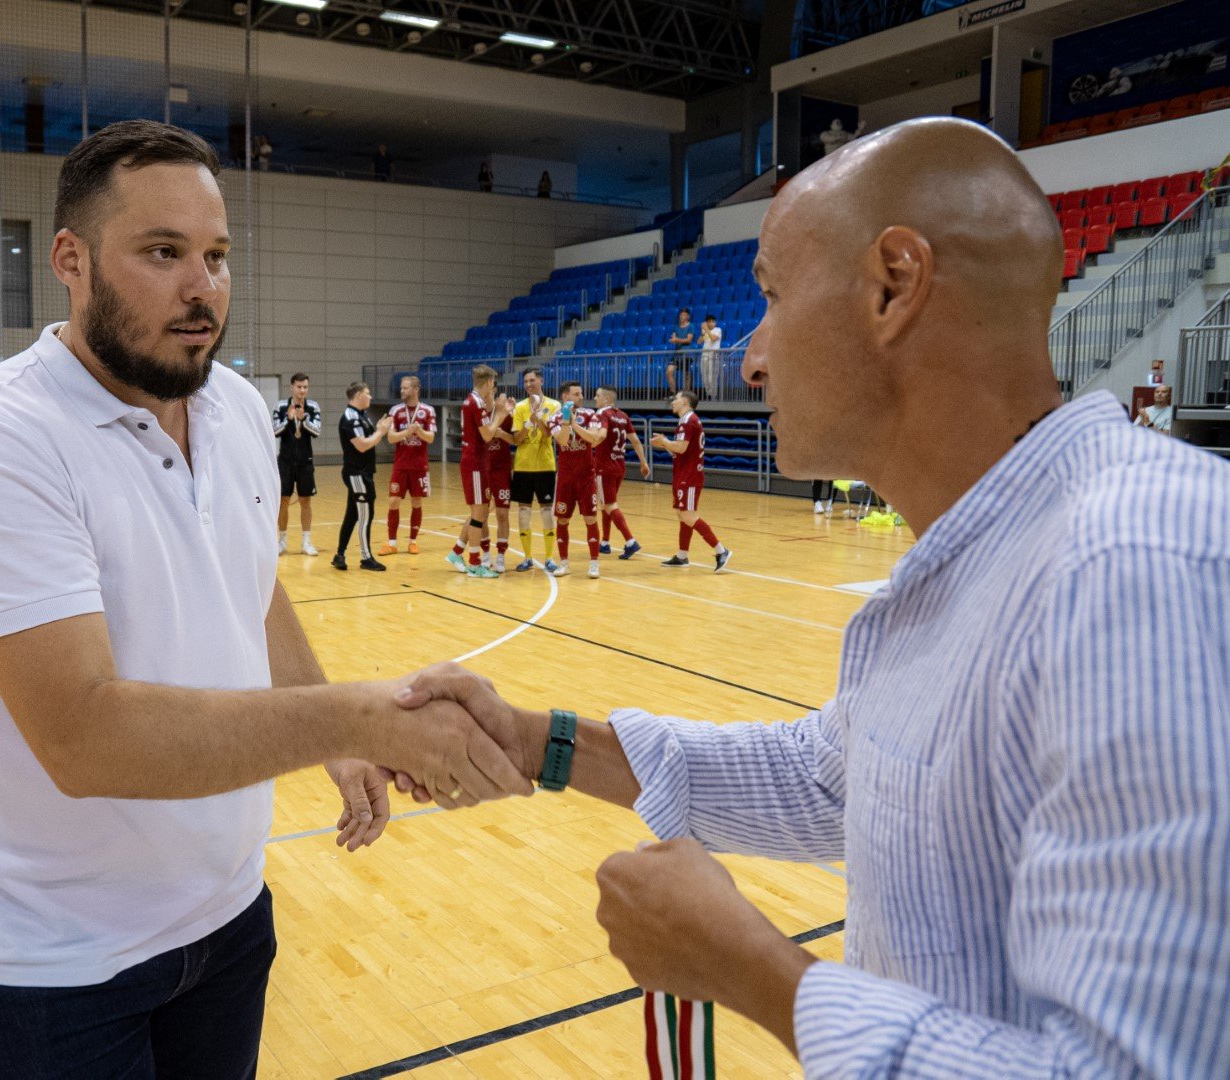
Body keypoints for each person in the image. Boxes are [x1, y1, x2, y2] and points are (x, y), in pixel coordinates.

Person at [398, 115, 1230, 1077]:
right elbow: (828, 779)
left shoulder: (1139, 566)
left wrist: (757, 973)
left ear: (892, 286)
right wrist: (539, 741)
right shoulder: (977, 563)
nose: (751, 358)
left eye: (773, 299)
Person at [0, 120, 530, 1080]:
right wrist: (358, 716)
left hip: (227, 913)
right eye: (163, 254)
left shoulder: (234, 408)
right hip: (43, 957)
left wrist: (346, 741)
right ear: (70, 260)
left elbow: (252, 586)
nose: (204, 289)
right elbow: (83, 737)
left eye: (218, 257)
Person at [650, 390, 731, 571]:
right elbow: (681, 451)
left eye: (676, 399)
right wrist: (665, 444)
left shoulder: (688, 420)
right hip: (684, 473)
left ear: (685, 402)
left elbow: (680, 447)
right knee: (682, 513)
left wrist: (664, 442)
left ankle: (721, 550)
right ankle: (682, 555)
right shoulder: (687, 420)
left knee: (688, 515)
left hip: (690, 476)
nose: (672, 402)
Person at [445, 365, 502, 578]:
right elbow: (488, 434)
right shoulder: (475, 402)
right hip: (475, 464)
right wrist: (501, 412)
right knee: (479, 516)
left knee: (479, 513)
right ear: (488, 382)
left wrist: (494, 406)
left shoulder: (474, 401)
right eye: (493, 383)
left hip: (477, 462)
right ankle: (475, 563)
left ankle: (456, 552)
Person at [548, 381, 606, 579]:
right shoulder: (554, 418)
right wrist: (566, 421)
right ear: (565, 397)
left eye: (581, 393)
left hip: (586, 476)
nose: (581, 397)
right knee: (563, 519)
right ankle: (564, 563)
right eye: (576, 394)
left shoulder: (591, 414)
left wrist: (574, 423)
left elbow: (593, 439)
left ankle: (594, 563)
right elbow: (563, 441)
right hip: (565, 476)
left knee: (590, 518)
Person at [333, 382, 391, 571]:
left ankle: (339, 555)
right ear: (358, 395)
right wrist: (381, 432)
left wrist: (379, 429)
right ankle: (366, 558)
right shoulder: (351, 418)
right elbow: (362, 445)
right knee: (366, 515)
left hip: (363, 472)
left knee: (352, 515)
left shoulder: (362, 416)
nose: (371, 397)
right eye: (367, 393)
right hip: (357, 474)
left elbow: (369, 440)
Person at [510, 367, 560, 572]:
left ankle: (549, 558)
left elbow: (549, 435)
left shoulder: (554, 405)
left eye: (532, 380)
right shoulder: (520, 407)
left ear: (541, 381)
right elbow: (516, 439)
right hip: (523, 467)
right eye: (526, 382)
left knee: (547, 512)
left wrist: (539, 418)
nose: (529, 384)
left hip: (545, 466)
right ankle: (527, 557)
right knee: (523, 512)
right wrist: (528, 421)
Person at [380, 375, 434, 556]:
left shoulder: (428, 410)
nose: (401, 391)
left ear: (415, 389)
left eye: (405, 388)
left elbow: (431, 438)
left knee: (416, 501)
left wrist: (419, 431)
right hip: (401, 465)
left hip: (419, 465)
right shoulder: (395, 410)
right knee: (393, 500)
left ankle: (413, 541)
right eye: (401, 388)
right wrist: (406, 432)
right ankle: (392, 543)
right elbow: (390, 437)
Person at [592, 386, 648, 557]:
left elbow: (597, 436)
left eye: (598, 395)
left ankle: (630, 541)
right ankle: (605, 542)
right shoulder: (623, 416)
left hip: (604, 466)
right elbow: (636, 441)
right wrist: (643, 463)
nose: (595, 398)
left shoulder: (601, 414)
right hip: (619, 465)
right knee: (608, 504)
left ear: (607, 398)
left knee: (609, 505)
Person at [273, 372, 320, 556]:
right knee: (283, 501)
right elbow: (275, 431)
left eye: (305, 387)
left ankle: (306, 542)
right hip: (285, 461)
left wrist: (303, 420)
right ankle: (282, 540)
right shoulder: (281, 405)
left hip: (305, 462)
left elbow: (317, 431)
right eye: (299, 387)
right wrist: (289, 419)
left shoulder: (313, 407)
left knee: (305, 501)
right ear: (292, 387)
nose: (302, 390)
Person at [481, 390, 516, 573]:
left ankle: (501, 556)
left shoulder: (508, 417)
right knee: (482, 514)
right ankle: (485, 553)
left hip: (501, 471)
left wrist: (502, 435)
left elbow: (516, 440)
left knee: (502, 514)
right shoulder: (479, 414)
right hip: (483, 470)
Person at [667, 308, 695, 396]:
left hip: (686, 353)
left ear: (688, 316)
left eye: (684, 314)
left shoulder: (691, 326)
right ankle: (672, 392)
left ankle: (687, 394)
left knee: (686, 374)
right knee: (669, 371)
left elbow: (689, 340)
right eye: (681, 314)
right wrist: (673, 339)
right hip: (677, 353)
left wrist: (677, 339)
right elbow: (674, 338)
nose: (682, 316)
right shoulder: (676, 327)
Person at [697, 314, 723, 399]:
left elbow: (713, 338)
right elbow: (699, 342)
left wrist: (706, 329)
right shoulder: (705, 330)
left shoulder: (718, 329)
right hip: (704, 355)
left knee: (712, 376)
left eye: (713, 321)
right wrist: (703, 332)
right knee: (704, 376)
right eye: (709, 322)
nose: (712, 323)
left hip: (713, 356)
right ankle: (708, 394)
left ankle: (714, 395)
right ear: (707, 323)